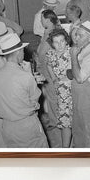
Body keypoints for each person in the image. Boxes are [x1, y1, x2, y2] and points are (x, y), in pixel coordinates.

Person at [0, 33, 49, 148]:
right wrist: (30, 78)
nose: (23, 53)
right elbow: (34, 102)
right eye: (22, 50)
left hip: (7, 126)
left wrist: (29, 79)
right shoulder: (25, 76)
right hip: (26, 126)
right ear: (18, 52)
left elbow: (10, 91)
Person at [35, 10, 61, 147]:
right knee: (50, 97)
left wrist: (38, 59)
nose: (40, 20)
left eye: (41, 18)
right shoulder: (47, 32)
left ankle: (58, 123)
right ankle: (54, 120)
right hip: (44, 69)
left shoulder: (52, 33)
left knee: (53, 97)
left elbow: (46, 52)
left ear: (47, 20)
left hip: (49, 71)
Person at [45, 28, 73, 148]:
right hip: (60, 92)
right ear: (52, 43)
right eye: (56, 42)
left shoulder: (72, 52)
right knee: (65, 121)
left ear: (66, 41)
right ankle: (67, 148)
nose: (60, 44)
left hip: (73, 89)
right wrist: (54, 78)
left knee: (72, 120)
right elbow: (48, 64)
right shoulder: (51, 53)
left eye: (62, 41)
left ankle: (70, 147)